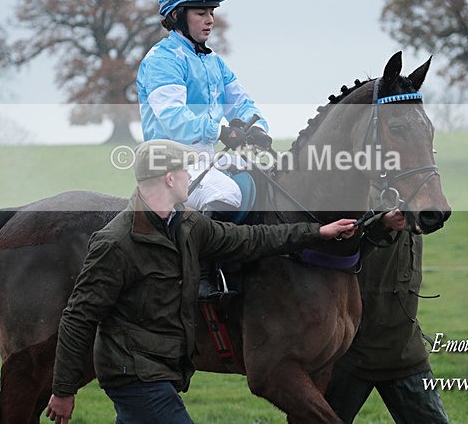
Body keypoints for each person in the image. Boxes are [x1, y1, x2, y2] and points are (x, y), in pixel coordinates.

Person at [46, 139, 356, 424]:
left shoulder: (188, 226)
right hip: (133, 373)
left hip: (163, 373)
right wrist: (63, 390)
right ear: (169, 178)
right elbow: (78, 317)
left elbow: (251, 239)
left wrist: (316, 233)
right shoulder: (115, 244)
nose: (190, 177)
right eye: (185, 171)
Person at [136, 0, 272, 213]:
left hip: (204, 159)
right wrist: (220, 131)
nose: (210, 19)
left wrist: (257, 127)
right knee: (227, 194)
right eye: (201, 12)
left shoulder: (214, 61)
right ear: (177, 16)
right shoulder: (162, 60)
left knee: (265, 178)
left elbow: (240, 103)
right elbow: (173, 118)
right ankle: (192, 250)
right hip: (168, 165)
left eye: (211, 12)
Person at [324, 210, 449, 424]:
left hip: (403, 349)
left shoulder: (414, 194)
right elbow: (335, 252)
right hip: (348, 351)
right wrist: (381, 225)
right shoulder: (355, 191)